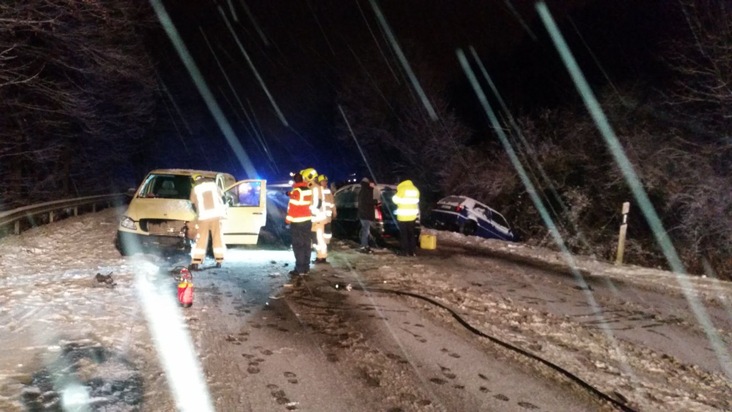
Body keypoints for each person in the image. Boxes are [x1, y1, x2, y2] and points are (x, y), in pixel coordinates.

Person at [189, 174, 226, 270]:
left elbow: (193, 205)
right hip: (216, 216)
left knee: (201, 239)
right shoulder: (213, 185)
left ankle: (196, 262)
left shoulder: (195, 189)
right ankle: (219, 260)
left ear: (195, 181)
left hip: (203, 217)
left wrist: (197, 213)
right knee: (217, 237)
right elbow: (223, 198)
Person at [285, 172, 313, 276]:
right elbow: (299, 198)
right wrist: (289, 194)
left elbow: (293, 207)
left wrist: (288, 220)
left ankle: (299, 269)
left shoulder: (296, 191)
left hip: (297, 222)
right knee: (306, 244)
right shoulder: (308, 190)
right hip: (307, 220)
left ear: (294, 181)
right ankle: (306, 267)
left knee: (298, 246)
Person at [392, 179, 420, 256]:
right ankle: (413, 251)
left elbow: (395, 200)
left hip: (403, 216)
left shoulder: (402, 189)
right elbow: (417, 201)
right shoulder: (415, 189)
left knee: (404, 235)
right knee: (411, 234)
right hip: (412, 216)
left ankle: (405, 252)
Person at [312, 174, 336, 263]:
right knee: (319, 238)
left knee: (321, 237)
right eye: (323, 181)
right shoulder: (318, 190)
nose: (325, 182)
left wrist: (334, 211)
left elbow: (332, 203)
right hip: (322, 218)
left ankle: (322, 255)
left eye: (326, 181)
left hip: (324, 218)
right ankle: (321, 254)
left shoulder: (326, 191)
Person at [357, 177, 380, 253]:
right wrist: (376, 201)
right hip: (367, 214)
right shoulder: (367, 190)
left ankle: (365, 245)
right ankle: (364, 246)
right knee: (365, 231)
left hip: (363, 214)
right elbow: (369, 201)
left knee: (365, 230)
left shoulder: (362, 190)